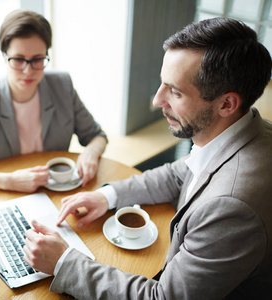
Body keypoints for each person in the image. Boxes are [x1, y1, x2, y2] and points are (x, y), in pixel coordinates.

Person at [22, 17, 272, 299]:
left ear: (226, 104)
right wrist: (107, 196)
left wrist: (63, 262)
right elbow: (181, 174)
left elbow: (164, 297)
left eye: (175, 92)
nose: (157, 100)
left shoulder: (232, 208)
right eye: (162, 84)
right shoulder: (244, 130)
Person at [0, 10, 107, 193]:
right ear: (4, 56)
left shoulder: (62, 86)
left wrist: (90, 152)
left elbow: (96, 135)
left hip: (56, 190)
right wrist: (9, 181)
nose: (28, 71)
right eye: (18, 60)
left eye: (37, 60)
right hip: (4, 193)